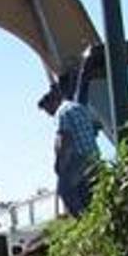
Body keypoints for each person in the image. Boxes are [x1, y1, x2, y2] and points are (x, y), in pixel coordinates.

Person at [39, 85, 100, 217]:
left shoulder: (62, 112)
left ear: (53, 102)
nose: (50, 114)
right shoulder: (79, 107)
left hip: (79, 158)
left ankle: (83, 221)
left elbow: (65, 139)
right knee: (88, 192)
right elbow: (94, 129)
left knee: (65, 190)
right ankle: (94, 217)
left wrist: (59, 164)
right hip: (94, 157)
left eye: (48, 110)